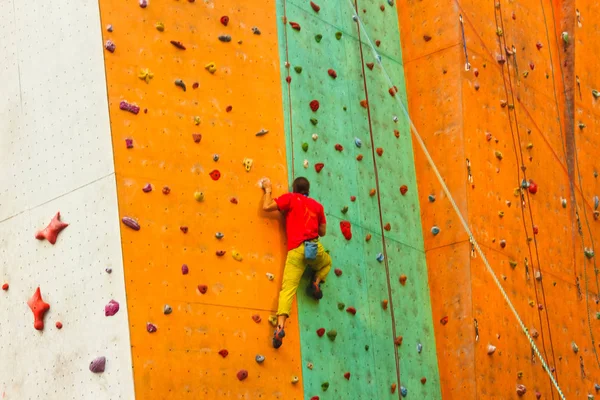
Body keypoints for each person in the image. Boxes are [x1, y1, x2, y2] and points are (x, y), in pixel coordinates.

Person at [260, 176, 331, 349]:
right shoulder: (318, 206)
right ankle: (315, 282)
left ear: (294, 188)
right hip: (313, 248)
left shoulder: (290, 199)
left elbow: (267, 206)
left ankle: (280, 327)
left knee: (287, 290)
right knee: (326, 263)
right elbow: (322, 232)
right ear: (308, 190)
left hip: (296, 250)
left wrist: (268, 189)